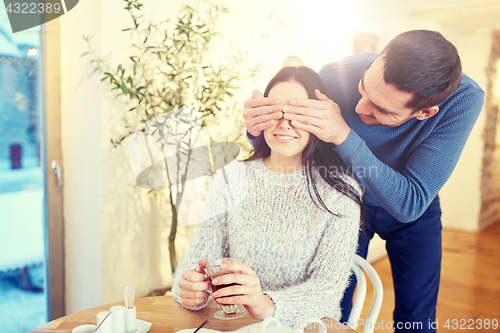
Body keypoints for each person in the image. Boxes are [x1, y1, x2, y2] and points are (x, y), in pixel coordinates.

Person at [243, 30, 484, 332]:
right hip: (344, 199)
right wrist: (256, 128)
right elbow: (288, 140)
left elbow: (409, 203)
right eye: (363, 88)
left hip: (410, 200)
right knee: (332, 310)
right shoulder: (335, 75)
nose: (360, 107)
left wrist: (343, 135)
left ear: (425, 112)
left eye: (380, 109)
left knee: (417, 320)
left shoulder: (462, 101)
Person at [171, 66, 363, 323]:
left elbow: (327, 291)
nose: (284, 123)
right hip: (234, 326)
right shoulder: (231, 178)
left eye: (299, 113)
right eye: (275, 111)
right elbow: (198, 260)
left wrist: (265, 304)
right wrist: (189, 287)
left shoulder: (340, 193)